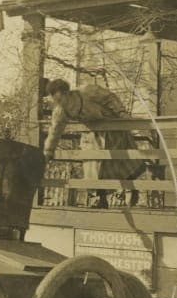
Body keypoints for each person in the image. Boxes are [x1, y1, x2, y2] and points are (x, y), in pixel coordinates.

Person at [42, 78, 148, 209]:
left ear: (66, 93)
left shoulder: (87, 91)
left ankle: (130, 189)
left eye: (59, 96)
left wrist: (121, 113)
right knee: (92, 165)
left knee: (119, 163)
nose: (58, 101)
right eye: (54, 98)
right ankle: (99, 199)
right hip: (92, 134)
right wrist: (48, 151)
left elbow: (110, 97)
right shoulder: (60, 111)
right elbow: (55, 130)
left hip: (111, 129)